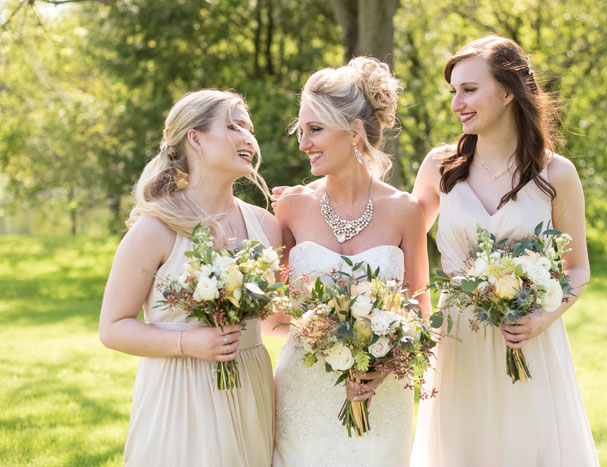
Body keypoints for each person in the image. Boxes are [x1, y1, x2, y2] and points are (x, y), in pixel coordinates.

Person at [410, 35, 599, 466]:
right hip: (459, 339)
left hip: (527, 338)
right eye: (453, 91)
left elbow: (578, 269)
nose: (457, 103)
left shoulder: (556, 173)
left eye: (469, 89)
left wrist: (542, 317)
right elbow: (401, 242)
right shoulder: (441, 165)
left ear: (509, 91)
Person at [99, 89, 281, 467]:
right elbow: (112, 328)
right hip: (180, 391)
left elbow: (276, 319)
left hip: (250, 387)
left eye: (249, 129)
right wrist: (188, 343)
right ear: (194, 138)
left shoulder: (265, 225)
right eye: (233, 127)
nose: (248, 138)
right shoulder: (156, 228)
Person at [267, 57, 429, 467]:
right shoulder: (291, 206)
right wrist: (323, 327)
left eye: (315, 130)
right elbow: (270, 317)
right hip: (305, 391)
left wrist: (387, 365)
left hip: (382, 394)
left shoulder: (405, 211)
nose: (303, 144)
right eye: (301, 131)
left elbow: (421, 315)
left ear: (355, 131)